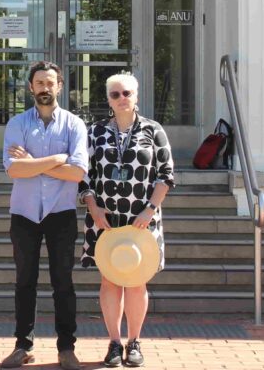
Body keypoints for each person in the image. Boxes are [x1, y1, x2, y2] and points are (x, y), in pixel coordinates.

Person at [78, 72, 175, 368]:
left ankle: (134, 342)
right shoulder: (94, 132)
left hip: (141, 221)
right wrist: (93, 207)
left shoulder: (153, 130)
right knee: (109, 280)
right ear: (108, 99)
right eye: (115, 94)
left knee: (136, 281)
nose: (122, 99)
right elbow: (83, 175)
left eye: (127, 93)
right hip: (105, 219)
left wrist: (150, 209)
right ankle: (113, 343)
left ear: (136, 96)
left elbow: (166, 174)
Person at [0, 60, 88, 370]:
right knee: (25, 281)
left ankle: (67, 348)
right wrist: (56, 159)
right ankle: (23, 346)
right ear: (30, 88)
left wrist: (34, 162)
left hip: (61, 213)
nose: (45, 88)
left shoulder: (75, 125)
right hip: (24, 213)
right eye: (39, 83)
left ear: (60, 87)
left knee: (63, 282)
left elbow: (77, 173)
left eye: (50, 83)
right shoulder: (17, 124)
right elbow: (14, 169)